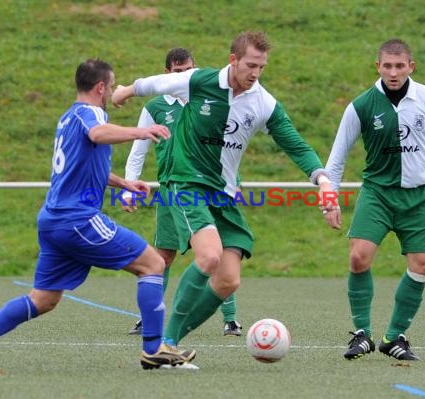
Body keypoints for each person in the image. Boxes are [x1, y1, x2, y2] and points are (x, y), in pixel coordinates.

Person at [0, 58, 196, 372]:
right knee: (153, 263)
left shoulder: (67, 118)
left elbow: (82, 163)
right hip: (76, 219)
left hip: (53, 220)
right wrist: (141, 131)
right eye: (110, 86)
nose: (110, 92)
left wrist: (122, 182)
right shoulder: (91, 113)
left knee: (44, 299)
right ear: (100, 87)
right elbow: (98, 134)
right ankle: (154, 349)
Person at [112, 31, 339, 354]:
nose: (255, 73)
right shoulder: (200, 81)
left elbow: (296, 145)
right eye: (250, 65)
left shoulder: (263, 102)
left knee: (228, 280)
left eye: (261, 67)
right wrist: (125, 91)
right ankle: (163, 343)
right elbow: (154, 85)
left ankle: (170, 342)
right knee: (209, 255)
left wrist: (324, 182)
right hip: (185, 182)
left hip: (223, 194)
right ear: (233, 60)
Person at [325, 39, 425, 361]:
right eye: (387, 66)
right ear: (377, 67)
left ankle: (394, 337)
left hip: (418, 196)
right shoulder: (361, 106)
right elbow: (337, 159)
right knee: (359, 256)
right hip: (378, 193)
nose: (393, 72)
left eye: (400, 66)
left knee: (423, 264)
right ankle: (362, 334)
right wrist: (330, 198)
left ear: (411, 66)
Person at [123, 47, 243, 337]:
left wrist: (233, 181)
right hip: (171, 189)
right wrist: (129, 186)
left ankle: (230, 319)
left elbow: (226, 144)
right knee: (162, 257)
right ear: (167, 74)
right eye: (178, 72)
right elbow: (139, 149)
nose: (183, 76)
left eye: (188, 70)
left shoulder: (209, 99)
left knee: (220, 252)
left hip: (210, 188)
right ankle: (149, 317)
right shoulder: (154, 108)